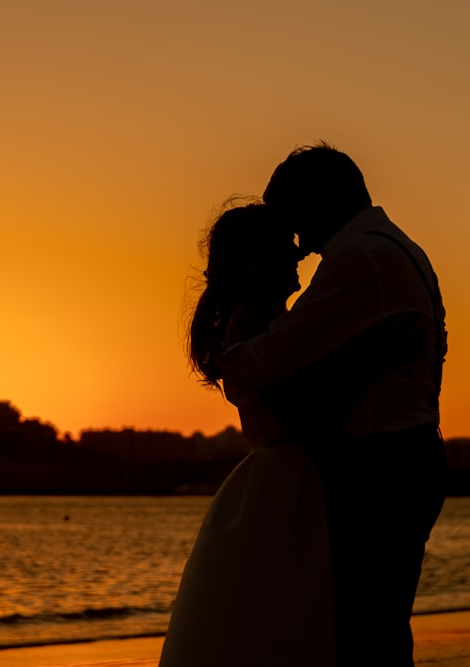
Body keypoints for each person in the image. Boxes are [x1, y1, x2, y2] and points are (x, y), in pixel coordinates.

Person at [221, 143, 448, 666]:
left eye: (293, 220)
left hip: (377, 466)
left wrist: (228, 360)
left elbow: (275, 356)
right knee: (377, 625)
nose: (297, 243)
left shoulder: (358, 257)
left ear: (321, 201)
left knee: (362, 629)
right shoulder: (397, 247)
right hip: (404, 455)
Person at [158, 202, 337, 667]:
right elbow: (299, 409)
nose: (298, 254)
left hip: (281, 479)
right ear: (251, 260)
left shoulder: (260, 317)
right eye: (283, 245)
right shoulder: (256, 317)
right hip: (288, 483)